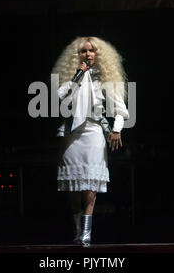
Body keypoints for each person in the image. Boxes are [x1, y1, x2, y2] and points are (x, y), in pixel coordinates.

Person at [51, 36, 129, 246]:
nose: (87, 54)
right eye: (84, 51)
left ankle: (86, 236)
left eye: (91, 51)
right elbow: (60, 96)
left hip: (94, 133)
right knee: (74, 190)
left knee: (90, 188)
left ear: (98, 54)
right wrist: (78, 75)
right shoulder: (72, 78)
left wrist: (116, 130)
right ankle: (77, 233)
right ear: (78, 56)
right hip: (72, 135)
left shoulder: (105, 78)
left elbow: (121, 111)